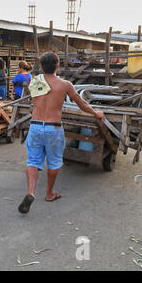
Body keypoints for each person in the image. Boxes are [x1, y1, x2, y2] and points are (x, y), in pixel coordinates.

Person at [18, 52, 105, 214]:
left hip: (35, 126)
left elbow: (33, 100)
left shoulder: (34, 82)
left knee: (33, 161)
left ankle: (31, 192)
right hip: (53, 128)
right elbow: (82, 104)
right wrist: (96, 113)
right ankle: (49, 194)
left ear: (42, 67)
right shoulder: (65, 85)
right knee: (54, 162)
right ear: (57, 65)